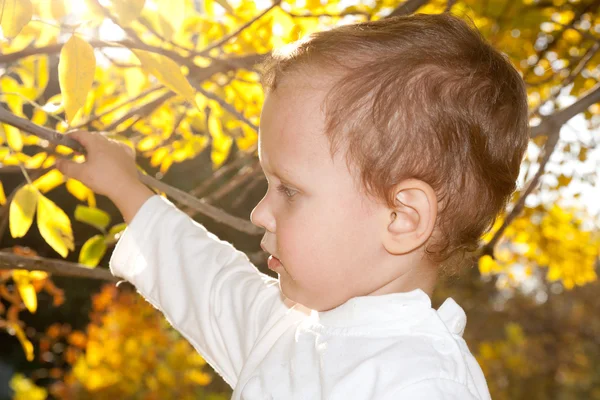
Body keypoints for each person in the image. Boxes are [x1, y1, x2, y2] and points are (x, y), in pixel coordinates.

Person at [56, 12, 528, 399]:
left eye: (289, 190)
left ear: (402, 218)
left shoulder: (420, 382)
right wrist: (125, 187)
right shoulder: (289, 328)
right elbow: (208, 281)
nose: (259, 213)